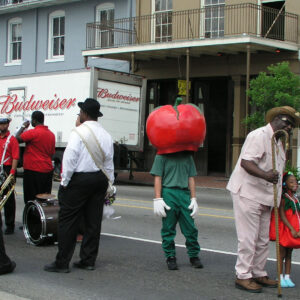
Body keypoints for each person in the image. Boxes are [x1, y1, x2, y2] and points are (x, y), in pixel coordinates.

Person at [227, 106, 300, 293]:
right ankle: (243, 275)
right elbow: (246, 162)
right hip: (248, 193)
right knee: (248, 238)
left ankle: (258, 272)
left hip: (267, 197)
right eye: (287, 122)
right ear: (276, 119)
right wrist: (265, 175)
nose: (289, 128)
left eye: (292, 125)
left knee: (262, 239)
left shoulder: (278, 142)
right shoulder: (259, 135)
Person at [44, 98, 114, 273]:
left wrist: (65, 182)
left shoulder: (78, 132)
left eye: (80, 111)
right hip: (99, 179)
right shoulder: (106, 134)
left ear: (84, 114)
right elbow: (109, 162)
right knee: (93, 221)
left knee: (68, 221)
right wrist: (109, 183)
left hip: (79, 180)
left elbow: (70, 159)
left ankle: (62, 262)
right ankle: (88, 260)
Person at [150, 151, 203, 270]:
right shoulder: (161, 156)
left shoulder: (187, 156)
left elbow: (191, 178)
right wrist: (158, 198)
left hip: (184, 193)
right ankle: (170, 257)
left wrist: (193, 198)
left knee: (190, 228)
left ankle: (194, 256)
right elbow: (158, 178)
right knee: (168, 228)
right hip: (169, 192)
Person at [16, 111, 55, 204]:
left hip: (33, 170)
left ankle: (32, 217)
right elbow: (51, 153)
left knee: (31, 199)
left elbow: (16, 139)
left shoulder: (33, 132)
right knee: (44, 198)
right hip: (47, 170)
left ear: (34, 120)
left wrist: (23, 127)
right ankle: (42, 217)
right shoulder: (51, 134)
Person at [269, 172, 300, 288]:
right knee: (281, 254)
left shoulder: (295, 198)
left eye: (296, 182)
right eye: (291, 182)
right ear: (285, 184)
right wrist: (291, 229)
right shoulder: (283, 198)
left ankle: (287, 276)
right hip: (284, 230)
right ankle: (279, 276)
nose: (295, 184)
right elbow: (282, 215)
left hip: (293, 230)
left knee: (289, 254)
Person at [0, 115, 19, 234]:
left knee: (8, 198)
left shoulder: (12, 139)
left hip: (7, 169)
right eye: (1, 124)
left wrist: (12, 172)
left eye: (4, 124)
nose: (2, 126)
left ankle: (10, 224)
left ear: (8, 124)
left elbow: (15, 157)